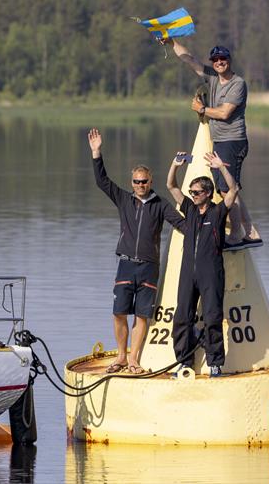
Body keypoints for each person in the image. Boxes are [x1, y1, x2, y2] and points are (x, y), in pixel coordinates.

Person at [88, 128, 185, 375]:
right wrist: (96, 153)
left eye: (144, 181)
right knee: (119, 312)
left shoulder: (160, 204)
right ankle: (120, 356)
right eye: (136, 182)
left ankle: (134, 359)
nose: (140, 185)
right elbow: (102, 182)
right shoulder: (124, 199)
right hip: (126, 264)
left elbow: (182, 224)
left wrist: (206, 222)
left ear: (150, 182)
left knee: (142, 316)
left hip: (149, 267)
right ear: (132, 183)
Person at [162, 38, 262, 250]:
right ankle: (251, 232)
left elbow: (225, 113)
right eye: (215, 59)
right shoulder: (213, 78)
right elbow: (189, 60)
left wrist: (201, 109)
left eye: (222, 58)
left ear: (229, 60)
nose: (219, 62)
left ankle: (236, 235)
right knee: (229, 189)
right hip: (221, 141)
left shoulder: (238, 84)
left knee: (228, 190)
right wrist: (171, 42)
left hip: (232, 141)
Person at [166, 150, 240, 377]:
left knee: (212, 318)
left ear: (208, 193)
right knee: (182, 319)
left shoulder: (217, 212)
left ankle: (215, 362)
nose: (193, 195)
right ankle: (184, 361)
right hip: (188, 274)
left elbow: (234, 190)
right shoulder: (189, 209)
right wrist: (175, 165)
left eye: (197, 192)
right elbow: (171, 186)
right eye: (192, 192)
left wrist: (221, 167)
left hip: (211, 275)